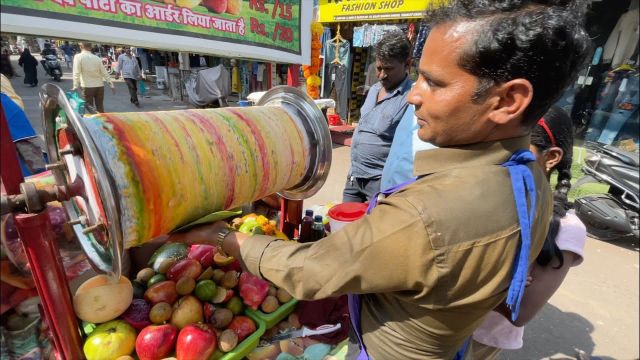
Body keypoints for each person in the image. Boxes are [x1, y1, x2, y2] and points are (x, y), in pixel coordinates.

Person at [168, 1, 590, 358]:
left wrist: (224, 238)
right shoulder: (528, 176)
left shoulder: (429, 213)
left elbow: (311, 272)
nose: (413, 94)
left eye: (434, 82)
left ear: (507, 100)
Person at [472, 106, 587, 359]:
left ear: (552, 157)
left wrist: (471, 273)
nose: (499, 157)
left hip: (481, 339)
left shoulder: (566, 228)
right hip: (440, 324)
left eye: (515, 148)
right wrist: (506, 280)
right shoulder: (487, 196)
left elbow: (520, 310)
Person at [343, 31, 413, 203]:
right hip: (354, 176)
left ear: (407, 65)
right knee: (346, 224)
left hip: (380, 183)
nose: (381, 75)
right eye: (379, 68)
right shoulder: (374, 89)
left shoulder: (411, 97)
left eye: (388, 69)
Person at [72, 42, 115, 113]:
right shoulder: (97, 58)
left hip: (87, 87)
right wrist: (111, 85)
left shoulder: (78, 57)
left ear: (80, 47)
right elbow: (105, 73)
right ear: (91, 48)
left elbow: (76, 73)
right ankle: (102, 122)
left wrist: (75, 86)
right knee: (100, 107)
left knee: (90, 107)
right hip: (100, 86)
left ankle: (95, 121)